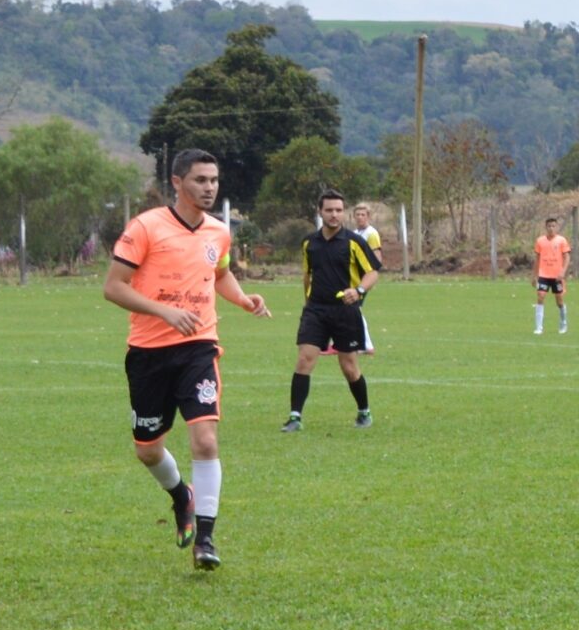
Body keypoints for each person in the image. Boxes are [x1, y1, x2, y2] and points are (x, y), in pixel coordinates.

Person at [105, 149, 272, 571]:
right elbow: (114, 287)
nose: (209, 187)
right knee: (148, 450)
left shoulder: (219, 232)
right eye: (200, 180)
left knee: (206, 439)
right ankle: (182, 495)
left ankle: (207, 538)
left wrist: (242, 299)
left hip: (199, 346)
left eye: (214, 180)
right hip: (148, 352)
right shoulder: (145, 227)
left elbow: (219, 274)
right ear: (177, 183)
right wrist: (164, 311)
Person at [284, 189, 380, 432]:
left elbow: (373, 272)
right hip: (315, 310)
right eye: (329, 210)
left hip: (345, 312)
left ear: (343, 212)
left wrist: (358, 291)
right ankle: (295, 417)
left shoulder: (354, 242)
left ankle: (363, 411)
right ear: (320, 212)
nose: (334, 214)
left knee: (349, 366)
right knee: (304, 359)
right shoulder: (309, 243)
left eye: (338, 210)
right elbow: (307, 275)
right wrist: (307, 303)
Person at [349, 203, 384, 352]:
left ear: (368, 216)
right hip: (354, 277)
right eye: (358, 215)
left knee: (354, 308)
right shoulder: (354, 233)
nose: (360, 217)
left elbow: (377, 259)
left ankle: (366, 345)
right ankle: (359, 344)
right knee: (353, 309)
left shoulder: (371, 234)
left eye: (363, 215)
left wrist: (371, 277)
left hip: (364, 278)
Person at [532, 216, 572, 335]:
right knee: (540, 296)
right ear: (546, 227)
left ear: (556, 227)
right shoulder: (540, 241)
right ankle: (539, 327)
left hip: (557, 276)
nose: (551, 228)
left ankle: (563, 323)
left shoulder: (561, 241)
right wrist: (535, 275)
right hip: (543, 274)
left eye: (553, 226)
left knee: (559, 300)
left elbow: (567, 257)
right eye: (549, 226)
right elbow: (537, 258)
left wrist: (563, 271)